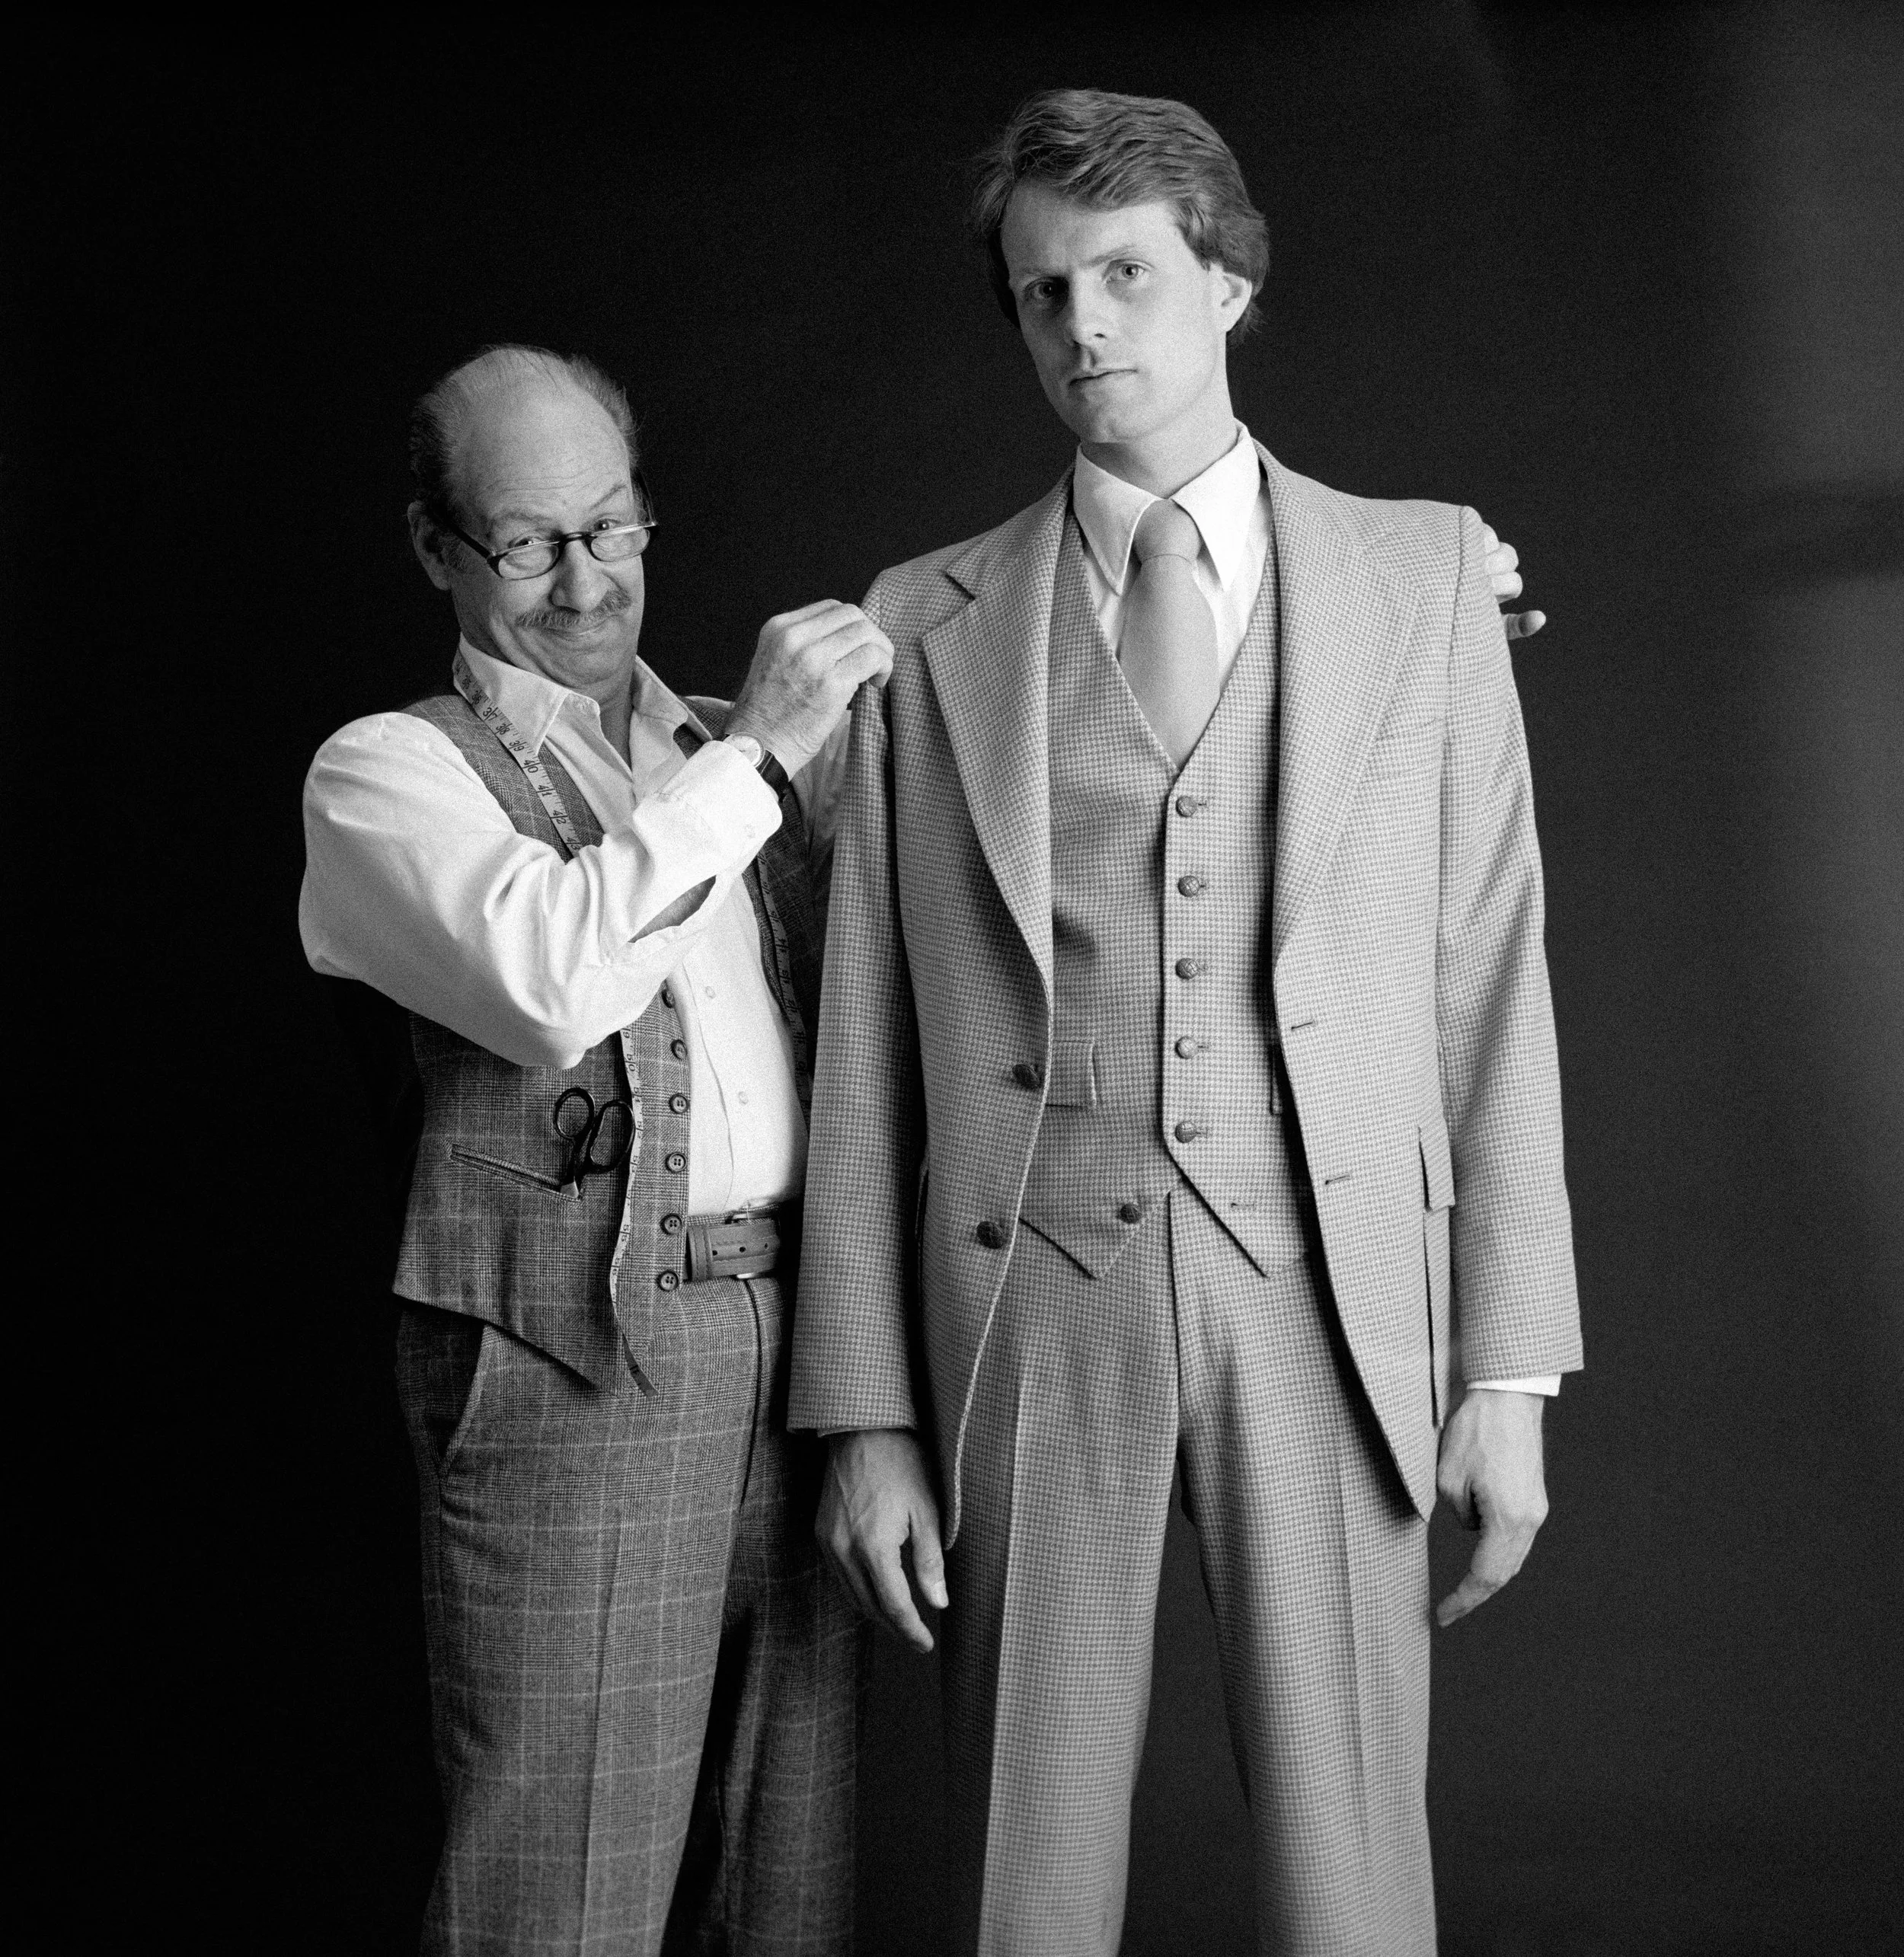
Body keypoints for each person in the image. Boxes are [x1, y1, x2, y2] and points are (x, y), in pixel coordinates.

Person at [790, 90, 1582, 1955]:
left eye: (1126, 273)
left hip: (1329, 1300)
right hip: (1025, 1302)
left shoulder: (1424, 579)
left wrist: (1509, 1372)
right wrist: (865, 1414)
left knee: (1350, 1880)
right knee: (1022, 1877)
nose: (1082, 327)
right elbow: (864, 1048)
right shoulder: (922, 621)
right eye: (1041, 290)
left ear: (1225, 280)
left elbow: (1488, 974)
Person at [299, 343, 891, 1956]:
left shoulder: (718, 746)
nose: (585, 582)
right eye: (528, 541)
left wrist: (1396, 605)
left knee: (790, 1887)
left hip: (805, 1350)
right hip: (570, 1361)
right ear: (437, 549)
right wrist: (754, 757)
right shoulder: (385, 774)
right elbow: (553, 979)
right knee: (558, 1893)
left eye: (612, 528)